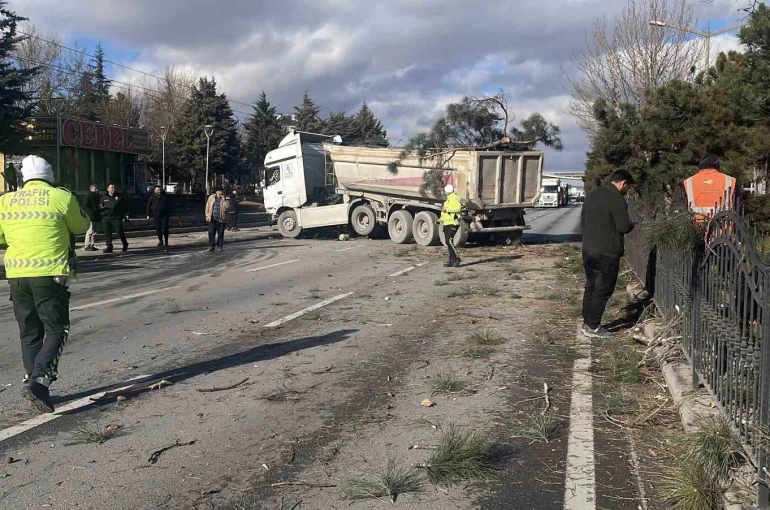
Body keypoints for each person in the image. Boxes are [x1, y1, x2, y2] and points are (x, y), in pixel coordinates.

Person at [0, 155, 90, 413]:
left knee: (29, 333)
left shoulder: (5, 201)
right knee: (57, 328)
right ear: (50, 176)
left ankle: (36, 385)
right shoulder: (61, 197)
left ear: (24, 178)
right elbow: (80, 225)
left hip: (17, 274)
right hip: (49, 273)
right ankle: (39, 381)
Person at [580, 169, 635, 338]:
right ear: (623, 183)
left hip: (588, 248)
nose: (627, 191)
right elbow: (623, 226)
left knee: (591, 286)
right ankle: (593, 326)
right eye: (628, 187)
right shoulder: (616, 199)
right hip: (607, 251)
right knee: (603, 289)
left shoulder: (592, 194)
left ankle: (587, 322)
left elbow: (583, 220)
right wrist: (633, 224)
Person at [684, 154, 740, 219]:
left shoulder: (688, 182)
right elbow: (739, 208)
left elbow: (679, 209)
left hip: (695, 227)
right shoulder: (730, 181)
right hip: (722, 227)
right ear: (717, 165)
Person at [100, 182, 129, 253]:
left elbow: (125, 206)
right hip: (106, 217)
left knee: (119, 231)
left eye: (114, 187)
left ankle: (125, 243)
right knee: (107, 232)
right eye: (111, 188)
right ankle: (109, 246)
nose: (113, 189)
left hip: (116, 217)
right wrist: (102, 208)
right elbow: (100, 206)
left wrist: (126, 215)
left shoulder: (119, 196)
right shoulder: (104, 197)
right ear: (107, 189)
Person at [440, 184, 463, 267]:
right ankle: (451, 260)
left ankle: (456, 258)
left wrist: (447, 209)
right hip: (447, 223)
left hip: (453, 222)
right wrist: (441, 219)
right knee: (447, 241)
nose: (444, 193)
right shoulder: (448, 199)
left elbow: (458, 209)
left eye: (445, 191)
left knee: (449, 240)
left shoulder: (454, 198)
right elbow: (445, 212)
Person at [146, 185, 174, 251]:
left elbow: (170, 204)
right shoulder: (152, 197)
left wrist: (169, 211)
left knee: (165, 227)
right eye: (157, 190)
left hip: (165, 215)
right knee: (158, 228)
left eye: (160, 190)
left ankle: (166, 242)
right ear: (154, 190)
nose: (159, 191)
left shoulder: (165, 196)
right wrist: (148, 214)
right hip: (156, 215)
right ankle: (161, 240)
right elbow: (148, 206)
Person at [205, 187, 230, 252]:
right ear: (216, 192)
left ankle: (219, 246)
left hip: (221, 219)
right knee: (211, 233)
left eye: (221, 191)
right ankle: (211, 246)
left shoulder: (226, 199)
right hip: (212, 218)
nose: (220, 193)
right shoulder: (211, 197)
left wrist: (224, 200)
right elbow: (207, 206)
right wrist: (207, 215)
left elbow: (227, 208)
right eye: (218, 191)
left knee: (220, 234)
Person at [82, 184, 101, 251]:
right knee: (90, 231)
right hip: (91, 216)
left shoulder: (96, 196)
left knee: (93, 231)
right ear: (91, 189)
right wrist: (91, 213)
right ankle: (87, 245)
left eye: (97, 188)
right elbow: (85, 206)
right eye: (95, 188)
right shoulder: (88, 196)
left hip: (95, 215)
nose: (97, 190)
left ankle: (92, 244)